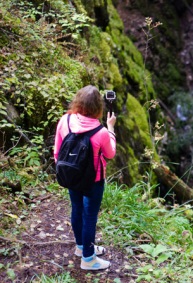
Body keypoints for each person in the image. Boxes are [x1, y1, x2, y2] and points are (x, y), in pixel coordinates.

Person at [54, 85, 117, 270]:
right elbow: (110, 154)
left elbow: (57, 151)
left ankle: (81, 247)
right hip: (93, 181)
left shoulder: (65, 121)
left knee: (77, 209)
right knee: (90, 217)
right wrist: (111, 128)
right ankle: (88, 259)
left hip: (71, 175)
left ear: (77, 101)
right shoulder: (101, 132)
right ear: (99, 107)